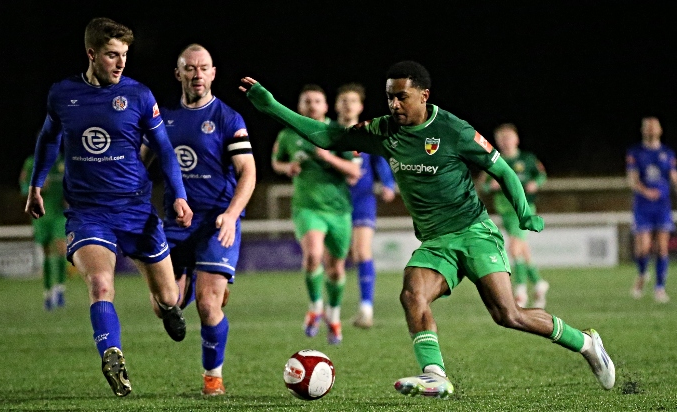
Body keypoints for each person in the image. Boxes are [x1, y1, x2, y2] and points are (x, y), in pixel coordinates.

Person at [239, 61, 615, 398]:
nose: (394, 105)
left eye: (401, 97)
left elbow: (501, 170)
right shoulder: (384, 131)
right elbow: (327, 136)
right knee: (411, 293)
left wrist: (524, 214)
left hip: (474, 231)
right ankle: (434, 374)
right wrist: (271, 106)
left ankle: (585, 343)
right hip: (435, 242)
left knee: (508, 315)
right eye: (389, 98)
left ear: (423, 94)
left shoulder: (453, 130)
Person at [25, 17, 193, 398]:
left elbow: (164, 149)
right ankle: (112, 354)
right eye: (112, 55)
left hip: (136, 210)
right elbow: (48, 139)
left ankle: (169, 307)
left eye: (124, 56)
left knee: (169, 298)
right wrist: (36, 183)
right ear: (91, 54)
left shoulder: (138, 95)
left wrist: (179, 195)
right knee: (101, 284)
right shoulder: (63, 95)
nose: (120, 63)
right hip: (88, 213)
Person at [140, 44, 256, 396]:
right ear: (178, 74)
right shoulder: (162, 118)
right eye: (189, 68)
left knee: (207, 305)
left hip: (215, 223)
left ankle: (212, 379)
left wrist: (232, 215)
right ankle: (193, 284)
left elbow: (248, 172)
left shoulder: (228, 118)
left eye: (203, 67)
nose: (197, 74)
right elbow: (138, 167)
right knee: (165, 309)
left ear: (213, 73)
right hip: (174, 226)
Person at [271, 84, 361, 345]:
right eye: (307, 101)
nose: (312, 105)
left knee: (335, 268)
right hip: (306, 207)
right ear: (299, 107)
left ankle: (333, 317)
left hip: (339, 210)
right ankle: (314, 308)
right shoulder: (289, 134)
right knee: (312, 256)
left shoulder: (338, 133)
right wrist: (287, 166)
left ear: (325, 106)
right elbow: (276, 162)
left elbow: (355, 172)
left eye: (317, 101)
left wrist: (328, 158)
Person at [334, 83, 396, 328]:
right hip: (334, 201)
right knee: (336, 258)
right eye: (344, 100)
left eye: (353, 100)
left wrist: (388, 183)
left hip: (363, 200)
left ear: (360, 106)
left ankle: (366, 309)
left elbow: (380, 161)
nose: (348, 104)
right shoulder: (328, 132)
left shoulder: (367, 133)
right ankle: (329, 311)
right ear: (337, 105)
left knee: (362, 252)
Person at [478, 123, 549, 309]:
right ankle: (538, 282)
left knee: (514, 250)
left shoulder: (527, 159)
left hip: (524, 210)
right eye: (502, 139)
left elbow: (541, 175)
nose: (506, 142)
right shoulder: (494, 159)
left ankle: (520, 291)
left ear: (516, 139)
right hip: (505, 211)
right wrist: (490, 186)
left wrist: (535, 183)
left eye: (509, 138)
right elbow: (483, 185)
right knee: (523, 250)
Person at [626, 116, 675, 303]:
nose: (651, 130)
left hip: (662, 205)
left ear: (660, 130)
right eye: (647, 127)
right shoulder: (635, 152)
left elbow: (673, 177)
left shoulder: (668, 153)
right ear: (643, 130)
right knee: (644, 247)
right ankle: (642, 273)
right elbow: (632, 179)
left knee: (662, 247)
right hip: (643, 205)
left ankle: (660, 288)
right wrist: (646, 191)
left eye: (654, 127)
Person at [20, 153, 69, 310]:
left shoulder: (62, 162)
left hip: (59, 214)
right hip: (41, 215)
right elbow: (22, 185)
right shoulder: (31, 163)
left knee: (62, 248)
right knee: (47, 253)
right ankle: (47, 292)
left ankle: (60, 289)